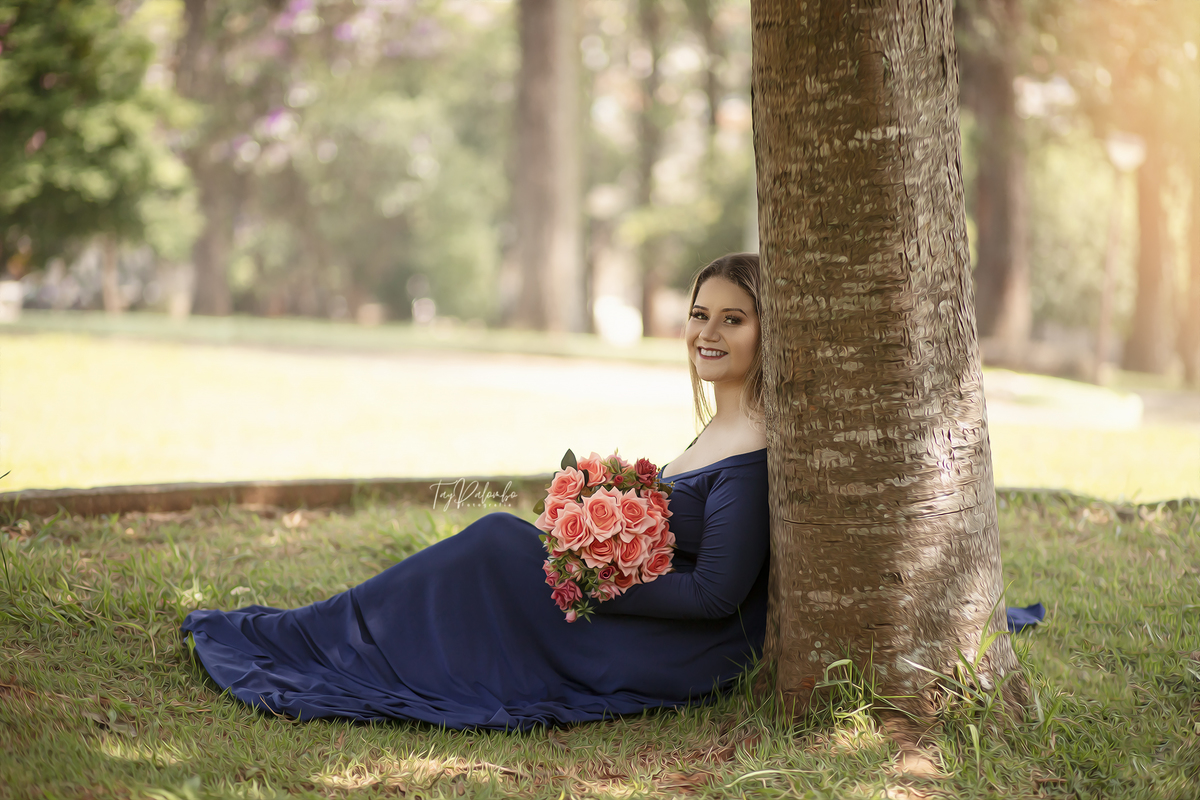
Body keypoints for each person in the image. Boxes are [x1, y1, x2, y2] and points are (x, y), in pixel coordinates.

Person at [181, 252, 774, 730]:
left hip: (663, 648)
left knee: (496, 541)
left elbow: (714, 597)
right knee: (498, 543)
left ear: (767, 330)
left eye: (733, 319)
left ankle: (320, 638)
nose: (708, 332)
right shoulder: (719, 430)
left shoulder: (751, 453)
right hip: (636, 617)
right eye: (701, 314)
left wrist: (587, 579)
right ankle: (319, 633)